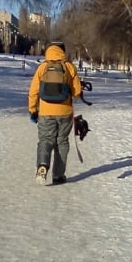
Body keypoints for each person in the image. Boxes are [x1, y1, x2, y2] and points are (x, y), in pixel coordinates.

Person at [28, 41, 83, 185]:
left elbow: (33, 92)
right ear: (63, 51)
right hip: (65, 112)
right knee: (62, 142)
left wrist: (33, 110)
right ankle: (58, 176)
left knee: (46, 139)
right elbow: (77, 92)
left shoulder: (43, 67)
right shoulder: (69, 67)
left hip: (45, 112)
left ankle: (42, 165)